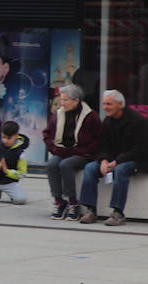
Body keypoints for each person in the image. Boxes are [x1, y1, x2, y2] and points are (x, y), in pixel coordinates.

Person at [75, 90, 148, 226]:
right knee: (90, 168)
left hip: (137, 160)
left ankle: (118, 213)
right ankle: (91, 210)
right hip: (113, 159)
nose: (105, 107)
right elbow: (103, 145)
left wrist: (116, 162)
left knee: (120, 170)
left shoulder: (138, 121)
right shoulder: (108, 121)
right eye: (104, 104)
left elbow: (141, 149)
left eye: (109, 104)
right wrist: (103, 160)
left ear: (120, 104)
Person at [43, 83, 101, 220]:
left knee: (66, 165)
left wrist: (83, 150)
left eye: (65, 100)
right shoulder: (58, 115)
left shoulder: (90, 116)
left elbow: (98, 139)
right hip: (62, 151)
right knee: (51, 164)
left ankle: (73, 202)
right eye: (61, 100)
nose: (62, 103)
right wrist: (53, 148)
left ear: (76, 100)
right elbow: (47, 135)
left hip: (83, 153)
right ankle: (59, 201)